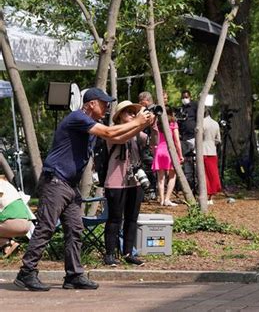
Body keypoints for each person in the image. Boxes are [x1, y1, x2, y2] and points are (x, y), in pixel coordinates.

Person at [15, 88, 154, 292]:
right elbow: (109, 132)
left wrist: (140, 125)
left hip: (69, 185)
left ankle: (74, 275)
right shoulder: (78, 117)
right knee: (46, 227)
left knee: (75, 230)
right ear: (90, 104)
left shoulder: (89, 125)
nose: (107, 107)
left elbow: (117, 139)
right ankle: (26, 273)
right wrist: (138, 122)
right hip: (55, 181)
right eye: (104, 103)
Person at [103, 100, 148, 267]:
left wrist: (153, 121)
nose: (132, 114)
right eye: (128, 112)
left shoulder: (138, 134)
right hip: (115, 182)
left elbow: (152, 139)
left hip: (134, 181)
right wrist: (138, 124)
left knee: (132, 219)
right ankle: (109, 254)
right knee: (115, 219)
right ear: (120, 115)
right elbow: (122, 139)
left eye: (133, 112)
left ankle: (128, 253)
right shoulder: (112, 132)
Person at [151, 106, 184, 206]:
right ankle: (167, 199)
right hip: (170, 151)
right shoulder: (173, 123)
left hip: (159, 151)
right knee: (172, 176)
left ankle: (161, 199)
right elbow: (177, 141)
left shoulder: (158, 123)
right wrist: (180, 154)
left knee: (160, 178)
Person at [0, 176, 34, 258]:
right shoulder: (5, 184)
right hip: (27, 223)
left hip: (11, 223)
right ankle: (7, 246)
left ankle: (8, 244)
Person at [178, 89, 198, 190]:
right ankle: (189, 182)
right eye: (183, 98)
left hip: (194, 137)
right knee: (186, 161)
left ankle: (197, 182)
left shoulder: (195, 106)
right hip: (184, 138)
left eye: (186, 97)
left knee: (195, 160)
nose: (184, 99)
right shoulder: (181, 109)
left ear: (190, 97)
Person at [202, 109, 222, 205]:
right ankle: (211, 196)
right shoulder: (215, 123)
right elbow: (218, 139)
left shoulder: (201, 123)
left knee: (204, 174)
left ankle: (205, 194)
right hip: (212, 151)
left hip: (203, 150)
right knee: (213, 174)